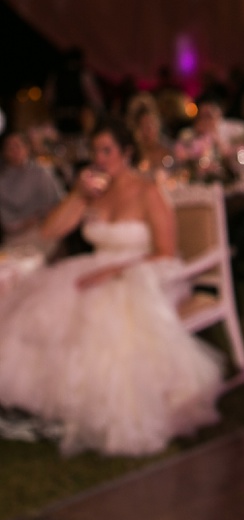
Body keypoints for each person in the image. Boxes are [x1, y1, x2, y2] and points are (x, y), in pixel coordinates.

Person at [0, 118, 224, 456]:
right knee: (44, 311)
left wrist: (116, 271)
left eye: (107, 151)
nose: (100, 158)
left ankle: (99, 410)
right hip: (95, 268)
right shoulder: (95, 191)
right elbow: (50, 231)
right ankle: (47, 410)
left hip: (144, 273)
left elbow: (164, 251)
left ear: (126, 153)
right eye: (95, 151)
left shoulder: (148, 191)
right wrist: (77, 194)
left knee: (102, 320)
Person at [0, 131, 63, 246]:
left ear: (27, 148)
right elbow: (6, 222)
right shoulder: (2, 181)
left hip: (45, 230)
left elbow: (57, 204)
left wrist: (40, 220)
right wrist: (24, 223)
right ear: (4, 152)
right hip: (14, 236)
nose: (15, 151)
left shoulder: (41, 172)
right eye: (10, 147)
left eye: (18, 146)